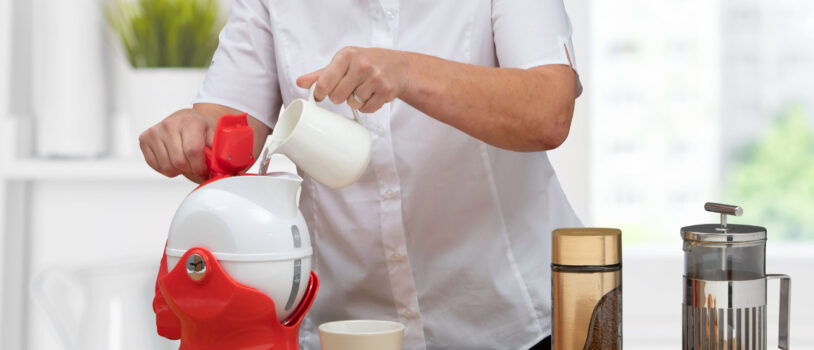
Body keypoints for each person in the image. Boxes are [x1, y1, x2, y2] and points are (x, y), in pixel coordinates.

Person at [139, 0, 582, 349]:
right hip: (343, 330)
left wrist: (408, 72)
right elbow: (231, 125)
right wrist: (190, 134)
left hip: (513, 325)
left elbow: (548, 111)